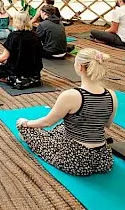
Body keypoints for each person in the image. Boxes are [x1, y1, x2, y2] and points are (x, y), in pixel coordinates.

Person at [16, 48, 117, 176]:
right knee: (62, 126)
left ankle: (29, 129)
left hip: (76, 160)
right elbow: (107, 124)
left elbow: (47, 122)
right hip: (103, 158)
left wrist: (26, 123)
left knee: (23, 128)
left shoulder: (71, 95)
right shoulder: (112, 95)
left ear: (80, 67)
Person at [0, 11, 43, 89]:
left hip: (15, 70)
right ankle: (26, 78)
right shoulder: (35, 36)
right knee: (0, 60)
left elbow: (4, 57)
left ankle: (10, 78)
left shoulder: (13, 36)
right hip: (33, 71)